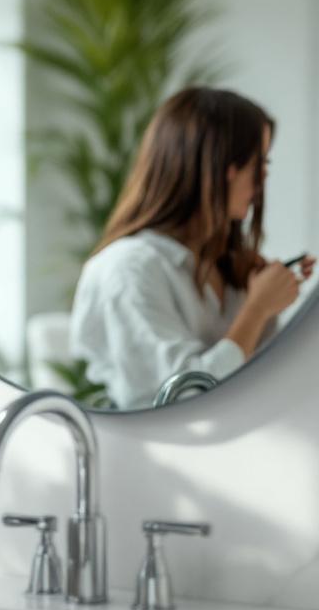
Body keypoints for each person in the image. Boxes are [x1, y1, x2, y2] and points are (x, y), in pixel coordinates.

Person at [71, 87, 315, 409]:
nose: (264, 179)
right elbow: (178, 401)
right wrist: (255, 311)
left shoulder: (225, 264)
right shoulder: (128, 269)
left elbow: (260, 386)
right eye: (260, 163)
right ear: (224, 168)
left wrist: (269, 307)